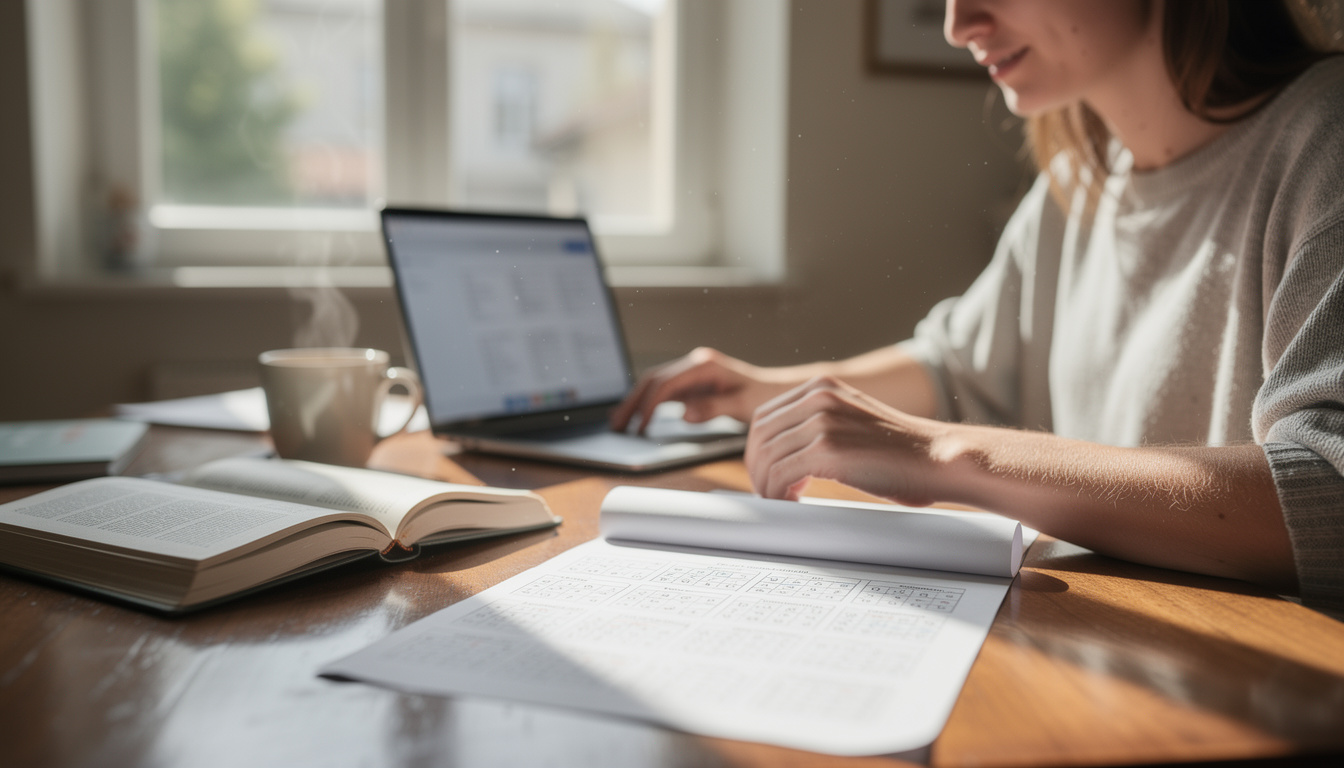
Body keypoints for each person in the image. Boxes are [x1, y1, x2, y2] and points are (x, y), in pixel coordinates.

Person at [611, 0, 1344, 618]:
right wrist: (761, 390)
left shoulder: (1325, 142)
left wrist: (939, 453)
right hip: (1133, 644)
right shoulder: (1077, 183)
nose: (959, 23)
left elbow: (1327, 495)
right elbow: (956, 362)